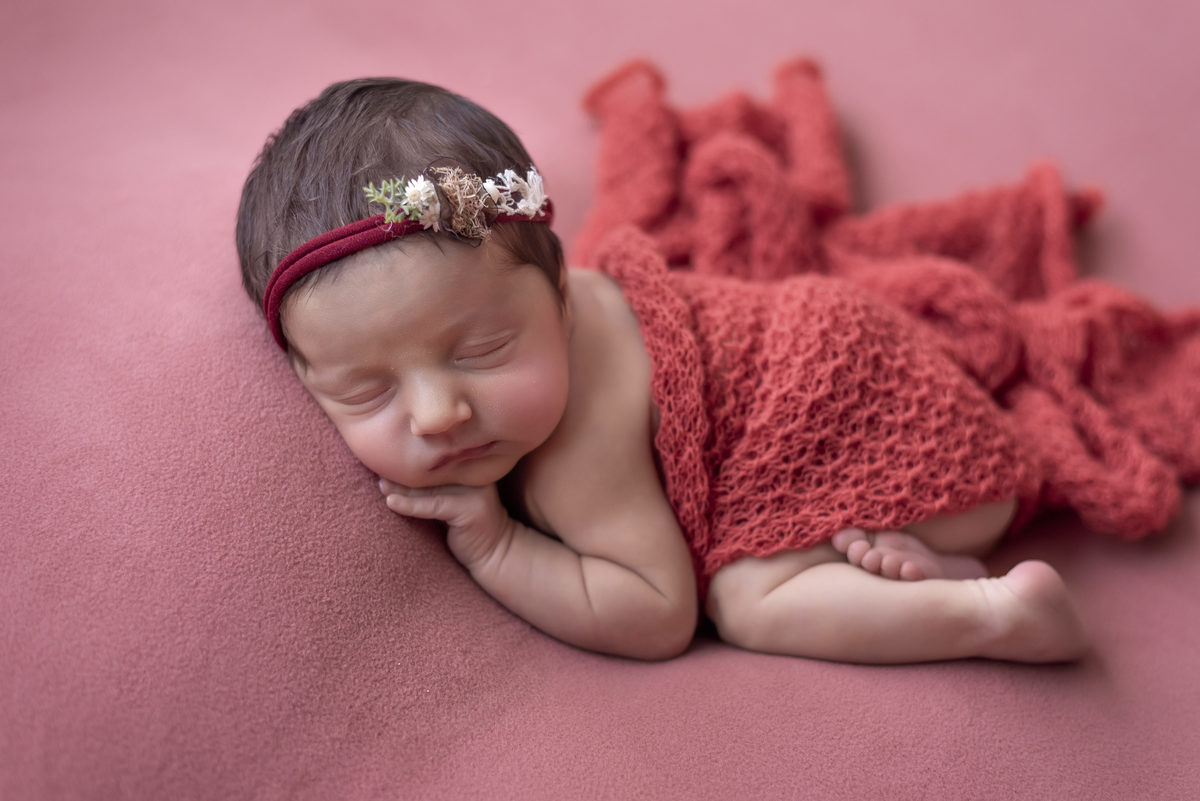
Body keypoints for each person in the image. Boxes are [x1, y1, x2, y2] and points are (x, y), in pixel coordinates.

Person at [236, 78, 1088, 664]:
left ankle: (993, 615)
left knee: (749, 601)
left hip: (896, 435)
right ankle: (930, 569)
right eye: (365, 391)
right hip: (874, 375)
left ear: (562, 298)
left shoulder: (576, 446)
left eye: (480, 351)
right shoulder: (522, 303)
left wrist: (493, 543)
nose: (436, 413)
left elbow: (656, 612)